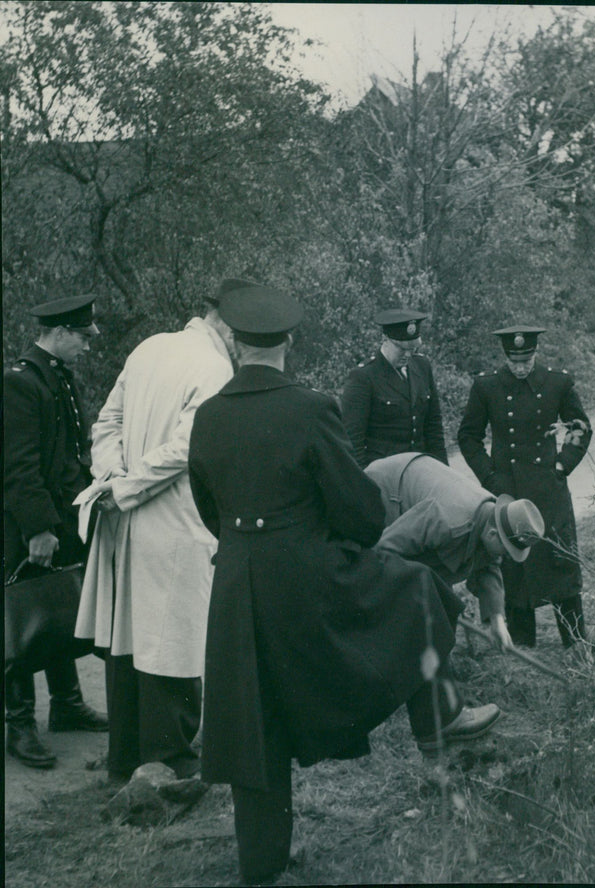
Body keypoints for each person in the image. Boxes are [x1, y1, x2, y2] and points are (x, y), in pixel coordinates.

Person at [188, 282, 500, 886]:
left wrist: (248, 545)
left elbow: (209, 509)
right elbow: (358, 514)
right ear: (289, 342)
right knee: (420, 588)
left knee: (255, 718)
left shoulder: (209, 415)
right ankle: (437, 715)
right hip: (307, 576)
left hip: (235, 585)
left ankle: (262, 865)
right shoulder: (310, 407)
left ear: (233, 341)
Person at [74, 281, 237, 783]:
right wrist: (126, 487)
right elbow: (188, 448)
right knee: (175, 640)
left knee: (132, 637)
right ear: (225, 324)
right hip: (174, 519)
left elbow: (106, 424)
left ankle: (126, 759)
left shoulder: (149, 348)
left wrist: (113, 475)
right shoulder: (215, 367)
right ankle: (169, 763)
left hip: (129, 523)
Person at [4, 294, 108, 770]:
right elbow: (18, 465)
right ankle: (20, 725)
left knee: (59, 609)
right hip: (28, 525)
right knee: (24, 617)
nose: (88, 344)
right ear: (60, 333)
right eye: (83, 337)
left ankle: (66, 704)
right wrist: (38, 530)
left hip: (63, 516)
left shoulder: (57, 377)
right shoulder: (20, 383)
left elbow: (70, 453)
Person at [458, 325, 592, 649]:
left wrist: (562, 465)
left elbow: (580, 427)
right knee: (516, 567)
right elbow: (468, 437)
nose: (521, 367)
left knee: (560, 563)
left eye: (526, 359)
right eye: (514, 360)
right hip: (508, 493)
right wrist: (489, 478)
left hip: (550, 491)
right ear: (506, 356)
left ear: (535, 353)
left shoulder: (557, 383)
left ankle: (575, 642)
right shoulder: (487, 386)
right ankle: (522, 643)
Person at [365, 452, 545, 652]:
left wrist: (497, 620)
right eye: (506, 550)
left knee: (436, 605)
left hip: (420, 485)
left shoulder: (493, 520)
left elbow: (488, 565)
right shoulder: (447, 520)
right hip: (386, 487)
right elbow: (385, 548)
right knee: (406, 597)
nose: (504, 556)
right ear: (493, 534)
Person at [341, 307, 448, 468]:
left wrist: (443, 473)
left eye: (412, 349)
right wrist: (364, 486)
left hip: (421, 469)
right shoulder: (364, 376)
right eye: (401, 349)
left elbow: (433, 428)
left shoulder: (422, 366)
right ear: (385, 339)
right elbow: (353, 442)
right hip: (384, 475)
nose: (407, 355)